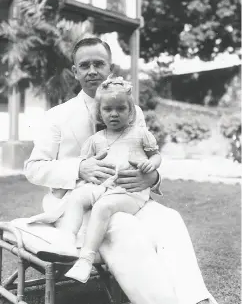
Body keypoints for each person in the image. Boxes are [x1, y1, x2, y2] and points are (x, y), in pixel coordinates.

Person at [24, 37, 218, 304]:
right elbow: (34, 168)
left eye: (99, 63)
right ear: (75, 71)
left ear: (110, 68)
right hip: (77, 204)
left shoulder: (131, 110)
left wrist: (152, 176)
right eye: (85, 65)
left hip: (126, 196)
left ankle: (197, 299)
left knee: (170, 219)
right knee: (122, 226)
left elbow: (146, 152)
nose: (92, 70)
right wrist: (79, 167)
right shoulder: (57, 116)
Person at [28, 76, 162, 283]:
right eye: (108, 110)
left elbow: (155, 154)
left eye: (121, 109)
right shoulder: (96, 139)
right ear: (99, 112)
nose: (114, 114)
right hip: (104, 186)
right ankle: (66, 240)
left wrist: (152, 167)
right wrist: (82, 167)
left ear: (131, 111)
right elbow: (83, 162)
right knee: (78, 198)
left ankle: (85, 260)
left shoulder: (140, 133)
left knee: (102, 207)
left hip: (128, 191)